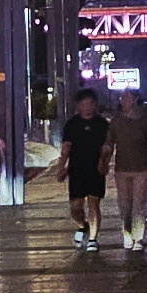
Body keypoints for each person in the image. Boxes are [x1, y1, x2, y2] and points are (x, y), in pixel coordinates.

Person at [101, 90, 147, 249]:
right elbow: (109, 143)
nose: (125, 100)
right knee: (125, 203)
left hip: (142, 167)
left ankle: (138, 237)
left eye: (129, 97)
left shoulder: (144, 119)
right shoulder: (116, 121)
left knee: (139, 202)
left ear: (135, 99)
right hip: (122, 168)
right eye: (123, 98)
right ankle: (126, 231)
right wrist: (104, 160)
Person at [58, 88, 109, 250]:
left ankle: (93, 239)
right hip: (76, 169)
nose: (86, 107)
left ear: (95, 105)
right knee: (76, 206)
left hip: (96, 169)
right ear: (78, 105)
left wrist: (104, 162)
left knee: (94, 203)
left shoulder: (102, 124)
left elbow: (108, 147)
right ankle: (82, 225)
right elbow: (66, 147)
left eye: (90, 103)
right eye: (83, 104)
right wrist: (61, 167)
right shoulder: (72, 124)